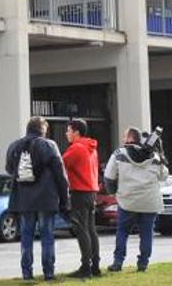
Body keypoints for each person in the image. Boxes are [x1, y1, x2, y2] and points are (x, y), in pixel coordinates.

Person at [4, 116, 69, 282]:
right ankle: (48, 273)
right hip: (46, 199)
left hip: (24, 200)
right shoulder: (49, 145)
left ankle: (27, 273)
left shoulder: (14, 146)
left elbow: (9, 169)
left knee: (26, 236)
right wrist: (64, 197)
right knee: (47, 235)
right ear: (43, 130)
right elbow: (60, 174)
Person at [104, 127, 168, 273]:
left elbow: (109, 177)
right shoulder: (154, 155)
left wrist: (113, 192)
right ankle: (143, 264)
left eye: (124, 136)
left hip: (127, 201)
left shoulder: (119, 154)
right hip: (149, 203)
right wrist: (161, 153)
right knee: (146, 233)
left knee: (122, 232)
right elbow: (164, 176)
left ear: (128, 138)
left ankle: (117, 262)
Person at [62, 118, 101, 278]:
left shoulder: (76, 148)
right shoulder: (91, 148)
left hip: (79, 192)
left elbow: (60, 164)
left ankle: (86, 267)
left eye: (68, 131)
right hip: (91, 192)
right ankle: (95, 266)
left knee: (81, 229)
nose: (66, 134)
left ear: (76, 132)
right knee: (91, 229)